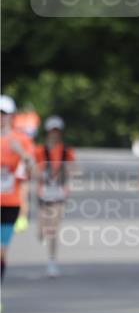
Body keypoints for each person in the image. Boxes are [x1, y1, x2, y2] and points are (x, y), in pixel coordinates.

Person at [34, 116, 75, 277]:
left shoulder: (66, 151)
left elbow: (73, 168)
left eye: (57, 131)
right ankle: (42, 234)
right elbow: (32, 169)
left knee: (53, 229)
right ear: (47, 132)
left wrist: (66, 174)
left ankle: (52, 261)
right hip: (43, 192)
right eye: (52, 131)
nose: (54, 134)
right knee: (42, 231)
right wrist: (41, 174)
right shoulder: (39, 150)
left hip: (58, 193)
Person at [1, 95, 34, 281]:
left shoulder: (21, 140)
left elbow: (33, 170)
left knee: (1, 251)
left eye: (3, 114)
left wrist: (20, 152)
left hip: (9, 204)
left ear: (11, 116)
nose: (0, 118)